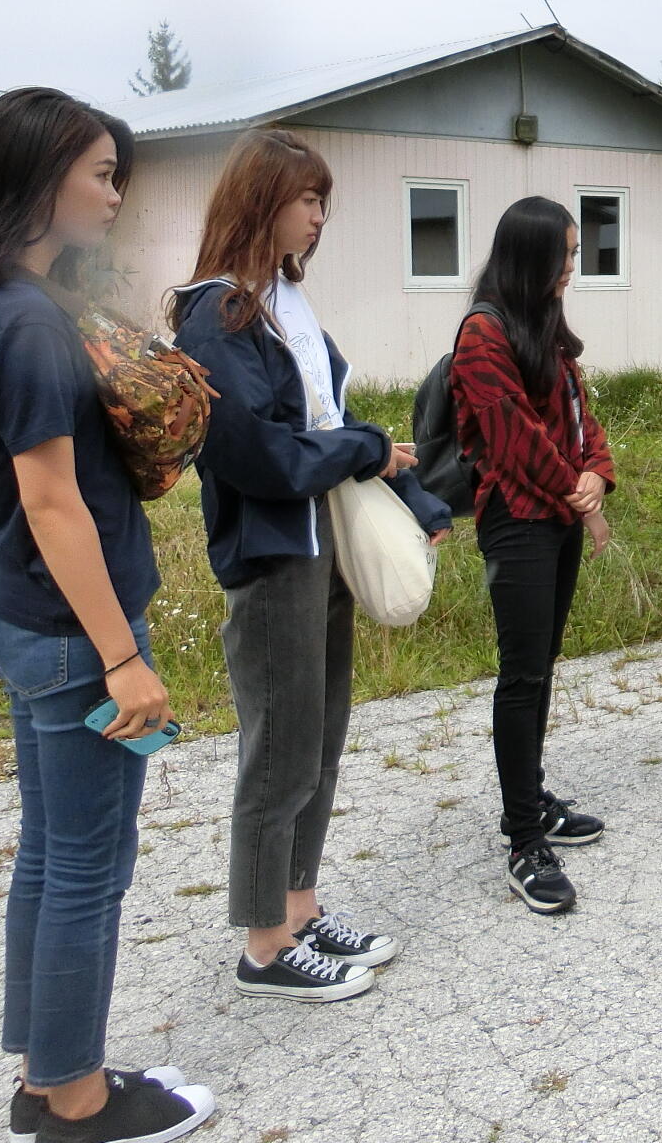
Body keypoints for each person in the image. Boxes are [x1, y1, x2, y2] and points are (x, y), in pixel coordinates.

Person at [0, 89, 216, 1143]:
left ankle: (45, 1073)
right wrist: (121, 659)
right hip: (70, 634)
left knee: (52, 855)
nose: (114, 194)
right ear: (42, 174)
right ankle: (80, 1102)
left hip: (21, 615)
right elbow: (52, 504)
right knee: (90, 865)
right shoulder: (26, 325)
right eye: (101, 173)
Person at [172, 130, 451, 1000]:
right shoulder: (218, 315)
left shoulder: (282, 300)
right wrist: (362, 444)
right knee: (278, 751)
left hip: (322, 539)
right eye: (307, 199)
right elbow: (264, 457)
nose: (320, 215)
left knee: (320, 741)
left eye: (324, 200)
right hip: (272, 552)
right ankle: (264, 946)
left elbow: (331, 427)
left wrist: (409, 490)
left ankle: (300, 904)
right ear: (261, 203)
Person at [449, 197, 615, 912]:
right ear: (530, 257)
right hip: (518, 521)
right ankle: (523, 839)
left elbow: (583, 417)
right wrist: (575, 493)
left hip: (560, 515)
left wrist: (597, 476)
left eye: (575, 256)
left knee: (542, 668)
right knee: (520, 676)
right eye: (565, 257)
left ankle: (533, 794)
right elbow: (512, 437)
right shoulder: (483, 336)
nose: (571, 270)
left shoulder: (545, 329)